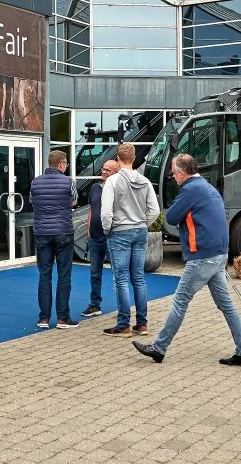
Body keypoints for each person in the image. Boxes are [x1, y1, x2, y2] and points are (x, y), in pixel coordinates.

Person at [133, 154, 241, 366]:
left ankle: (159, 348)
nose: (173, 177)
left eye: (173, 172)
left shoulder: (191, 189)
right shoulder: (207, 187)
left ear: (181, 173)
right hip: (217, 254)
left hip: (202, 256)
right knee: (226, 306)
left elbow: (170, 217)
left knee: (180, 300)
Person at [100, 143, 160, 337]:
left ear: (118, 159)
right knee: (139, 278)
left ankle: (123, 324)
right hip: (140, 231)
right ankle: (142, 324)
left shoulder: (112, 182)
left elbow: (106, 213)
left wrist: (108, 229)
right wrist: (143, 223)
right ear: (134, 159)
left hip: (120, 232)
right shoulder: (145, 181)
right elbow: (155, 211)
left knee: (122, 279)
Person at [29, 149, 80, 329]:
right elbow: (73, 202)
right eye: (65, 164)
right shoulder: (68, 182)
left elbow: (32, 202)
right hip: (63, 232)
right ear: (61, 164)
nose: (66, 167)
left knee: (44, 276)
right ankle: (62, 319)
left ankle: (43, 318)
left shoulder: (35, 182)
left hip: (42, 232)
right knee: (64, 275)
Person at [82, 159, 121, 317]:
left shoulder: (119, 189)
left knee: (118, 274)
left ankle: (122, 308)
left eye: (108, 170)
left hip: (112, 238)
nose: (103, 172)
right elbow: (92, 209)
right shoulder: (95, 188)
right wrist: (89, 230)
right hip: (95, 237)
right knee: (94, 273)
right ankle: (94, 305)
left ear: (116, 173)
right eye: (103, 169)